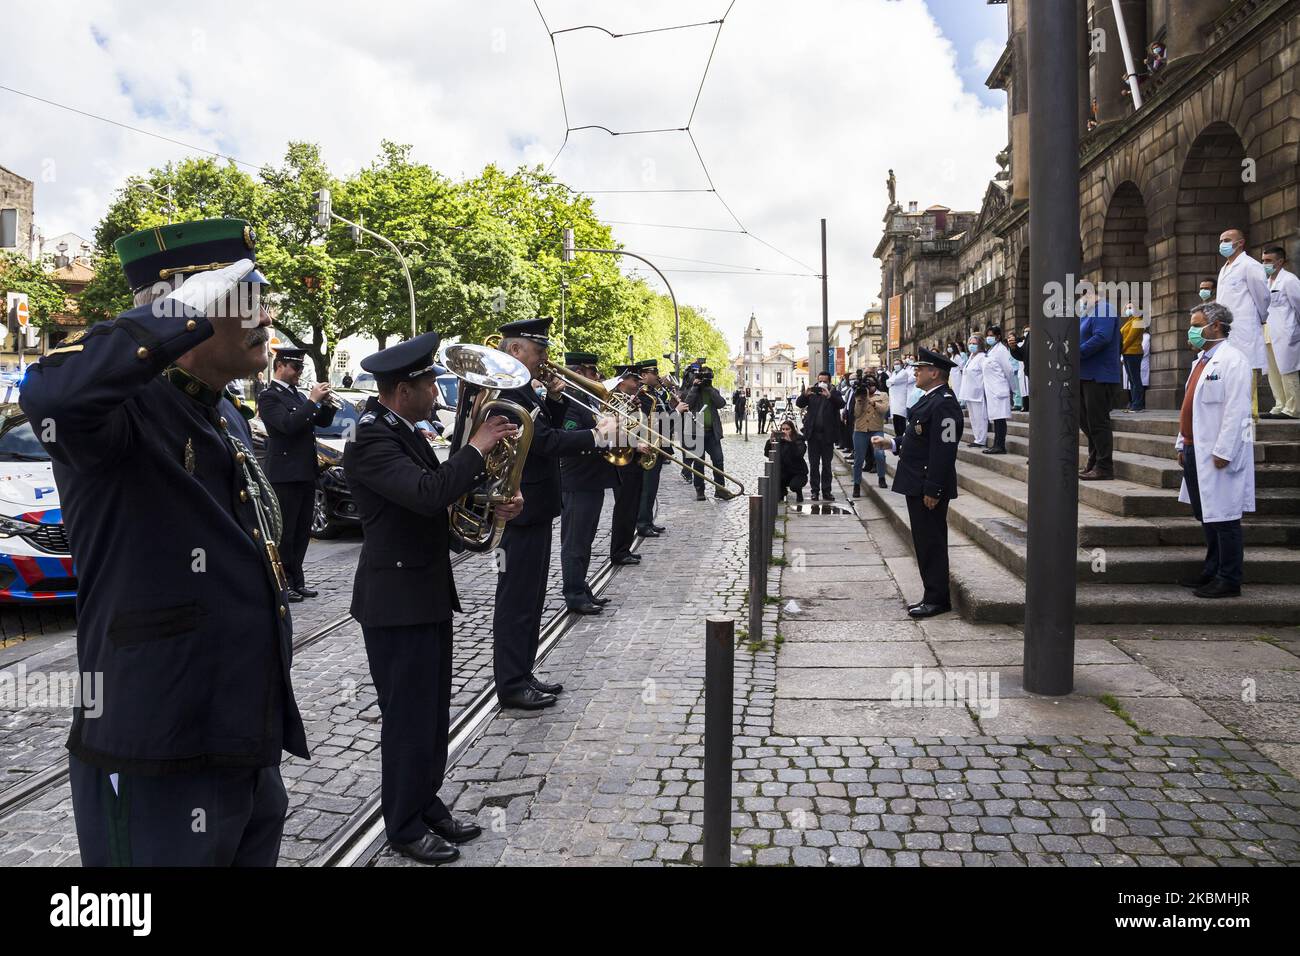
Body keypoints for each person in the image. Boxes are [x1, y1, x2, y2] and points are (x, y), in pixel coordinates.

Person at [20, 218, 306, 865]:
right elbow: (50, 398)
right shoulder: (120, 411)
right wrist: (172, 309)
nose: (267, 311)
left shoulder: (222, 407)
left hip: (237, 743)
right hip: (156, 755)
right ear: (188, 304)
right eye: (246, 293)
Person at [344, 332, 522, 864]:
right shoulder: (373, 440)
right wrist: (477, 446)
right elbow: (426, 493)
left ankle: (426, 803)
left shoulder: (405, 430)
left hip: (423, 592)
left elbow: (437, 508)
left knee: (431, 713)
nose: (437, 390)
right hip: (395, 601)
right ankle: (402, 824)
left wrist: (494, 510)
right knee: (407, 719)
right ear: (403, 390)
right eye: (427, 383)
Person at [492, 318, 615, 710]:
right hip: (520, 511)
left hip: (538, 507)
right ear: (515, 351)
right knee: (516, 601)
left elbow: (545, 429)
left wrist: (557, 401)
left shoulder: (527, 391)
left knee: (531, 598)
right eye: (539, 350)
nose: (546, 358)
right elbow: (543, 443)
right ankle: (511, 683)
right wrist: (597, 436)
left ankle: (523, 672)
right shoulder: (507, 391)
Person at [872, 348, 964, 618]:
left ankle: (937, 599)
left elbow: (943, 450)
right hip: (917, 480)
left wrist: (934, 488)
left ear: (934, 373)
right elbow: (919, 437)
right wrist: (892, 443)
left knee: (931, 542)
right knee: (924, 541)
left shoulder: (944, 402)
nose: (915, 371)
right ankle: (932, 594)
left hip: (927, 484)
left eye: (920, 369)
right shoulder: (929, 400)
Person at [1175, 301, 1254, 599]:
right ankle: (1211, 569)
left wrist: (1225, 450)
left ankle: (1229, 578)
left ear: (1215, 326)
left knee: (1225, 517)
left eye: (1197, 325)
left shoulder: (1233, 361)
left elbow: (1238, 411)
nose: (1192, 331)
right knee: (1207, 515)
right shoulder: (1201, 361)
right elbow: (1190, 407)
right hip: (1195, 448)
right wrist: (1181, 442)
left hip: (1218, 454)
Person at [257, 346, 336, 601]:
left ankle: (297, 579)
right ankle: (283, 583)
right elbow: (288, 426)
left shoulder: (297, 396)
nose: (298, 373)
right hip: (284, 474)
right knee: (286, 533)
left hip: (304, 472)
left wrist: (327, 404)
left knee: (302, 532)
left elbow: (320, 422)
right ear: (279, 365)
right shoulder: (269, 397)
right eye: (295, 368)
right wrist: (312, 401)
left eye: (301, 368)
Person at [559, 352, 617, 614]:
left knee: (586, 539)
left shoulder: (587, 399)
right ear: (579, 372)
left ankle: (581, 585)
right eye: (593, 372)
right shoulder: (570, 400)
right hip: (578, 478)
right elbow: (569, 437)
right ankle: (573, 592)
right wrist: (599, 433)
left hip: (592, 478)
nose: (598, 377)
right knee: (575, 542)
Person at [1216, 229, 1271, 418]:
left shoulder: (1250, 265)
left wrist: (1259, 317)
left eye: (1227, 240)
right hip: (1226, 330)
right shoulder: (1225, 268)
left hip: (1245, 328)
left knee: (1246, 374)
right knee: (1228, 375)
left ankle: (1250, 420)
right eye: (1221, 240)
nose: (1223, 243)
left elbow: (1263, 297)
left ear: (1240, 243)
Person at [1078, 289, 1121, 480]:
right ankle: (1093, 460)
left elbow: (1102, 337)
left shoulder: (1104, 309)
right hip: (1084, 374)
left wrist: (1076, 352)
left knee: (1097, 422)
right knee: (1085, 421)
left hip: (1099, 375)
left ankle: (1104, 466)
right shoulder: (1086, 314)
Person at [609, 365, 650, 565]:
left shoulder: (631, 401)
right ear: (622, 381)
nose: (637, 385)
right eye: (634, 381)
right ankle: (619, 551)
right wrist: (635, 446)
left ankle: (625, 547)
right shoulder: (610, 401)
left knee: (632, 506)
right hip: (623, 460)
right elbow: (611, 433)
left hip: (633, 461)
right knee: (624, 508)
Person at [678, 365, 731, 501]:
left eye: (708, 377)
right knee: (699, 463)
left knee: (718, 461)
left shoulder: (713, 390)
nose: (705, 380)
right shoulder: (690, 390)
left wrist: (709, 388)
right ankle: (700, 490)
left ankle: (720, 489)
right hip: (697, 433)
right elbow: (686, 404)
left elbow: (721, 403)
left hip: (712, 433)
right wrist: (695, 387)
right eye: (703, 377)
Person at [1262, 245, 1300, 419]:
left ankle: (1293, 408)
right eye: (1263, 260)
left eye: (1268, 260)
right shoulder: (1267, 282)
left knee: (1288, 370)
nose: (1265, 264)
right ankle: (1280, 404)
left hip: (1286, 332)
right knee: (1273, 371)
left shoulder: (1289, 280)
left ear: (1280, 261)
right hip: (1269, 332)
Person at [795, 371, 845, 501]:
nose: (822, 383)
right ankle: (815, 491)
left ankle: (827, 491)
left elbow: (841, 404)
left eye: (825, 381)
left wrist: (829, 396)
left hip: (827, 436)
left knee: (827, 465)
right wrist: (805, 394)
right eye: (820, 380)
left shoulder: (834, 393)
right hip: (813, 435)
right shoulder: (812, 393)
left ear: (829, 382)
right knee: (814, 465)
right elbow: (799, 403)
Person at [635, 358, 671, 538]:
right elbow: (661, 419)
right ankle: (642, 523)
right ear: (643, 375)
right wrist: (677, 412)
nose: (658, 376)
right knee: (647, 487)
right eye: (654, 373)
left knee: (652, 486)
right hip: (647, 445)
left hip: (657, 445)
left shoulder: (655, 394)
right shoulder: (643, 396)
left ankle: (648, 521)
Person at [850, 371, 891, 494]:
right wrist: (860, 400)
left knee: (879, 455)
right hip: (860, 430)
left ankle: (882, 477)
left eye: (872, 384)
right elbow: (857, 414)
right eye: (867, 385)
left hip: (876, 429)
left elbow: (884, 410)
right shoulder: (859, 395)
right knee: (859, 459)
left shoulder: (882, 395)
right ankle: (856, 484)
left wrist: (871, 401)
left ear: (876, 384)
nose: (870, 387)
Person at [981, 327, 1015, 454]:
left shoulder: (1001, 350)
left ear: (998, 337)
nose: (989, 338)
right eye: (987, 335)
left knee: (1000, 419)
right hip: (992, 390)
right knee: (996, 418)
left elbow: (1009, 370)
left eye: (991, 335)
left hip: (999, 389)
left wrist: (1012, 388)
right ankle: (996, 444)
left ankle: (1000, 445)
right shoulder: (991, 350)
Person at [764, 420, 808, 502]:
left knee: (794, 486)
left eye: (787, 429)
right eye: (783, 429)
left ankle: (799, 492)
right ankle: (782, 492)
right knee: (777, 492)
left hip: (798, 472)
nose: (785, 431)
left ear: (792, 430)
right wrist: (770, 442)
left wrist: (790, 442)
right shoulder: (779, 440)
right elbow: (767, 454)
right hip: (783, 472)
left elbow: (798, 454)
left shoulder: (799, 440)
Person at [958, 335, 988, 447]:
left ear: (980, 344)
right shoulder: (970, 357)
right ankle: (977, 438)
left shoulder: (982, 357)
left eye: (974, 343)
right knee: (973, 417)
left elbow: (985, 374)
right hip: (968, 392)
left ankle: (981, 439)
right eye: (970, 343)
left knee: (980, 417)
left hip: (978, 392)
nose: (972, 345)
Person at [1120, 302, 1147, 412]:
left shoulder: (1139, 321)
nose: (1128, 309)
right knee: (1132, 380)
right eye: (1127, 308)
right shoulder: (1131, 320)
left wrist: (1120, 349)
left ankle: (1138, 404)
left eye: (1130, 307)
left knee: (1135, 379)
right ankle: (1133, 403)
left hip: (1134, 352)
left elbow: (1130, 338)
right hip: (1127, 352)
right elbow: (1121, 333)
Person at [886, 357, 914, 437]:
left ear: (901, 364)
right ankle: (897, 441)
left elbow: (894, 381)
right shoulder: (894, 373)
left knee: (901, 422)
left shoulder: (904, 373)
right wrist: (891, 382)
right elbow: (887, 382)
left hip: (901, 400)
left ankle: (901, 441)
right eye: (895, 364)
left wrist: (891, 382)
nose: (896, 365)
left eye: (898, 364)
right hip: (894, 401)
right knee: (895, 422)